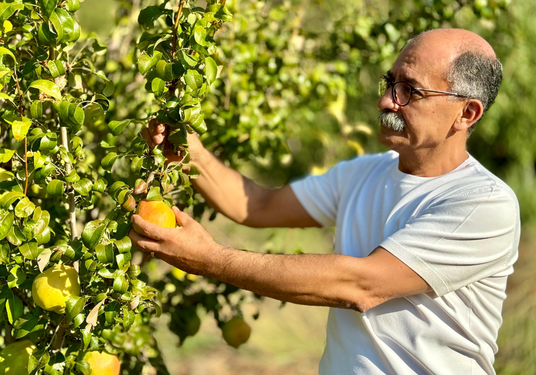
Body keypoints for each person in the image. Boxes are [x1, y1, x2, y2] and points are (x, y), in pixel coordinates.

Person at [129, 28, 519, 375]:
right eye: (390, 83)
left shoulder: (482, 204)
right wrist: (191, 153)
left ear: (466, 113)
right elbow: (258, 206)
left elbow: (358, 285)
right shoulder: (364, 173)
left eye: (409, 91)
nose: (386, 101)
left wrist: (208, 260)